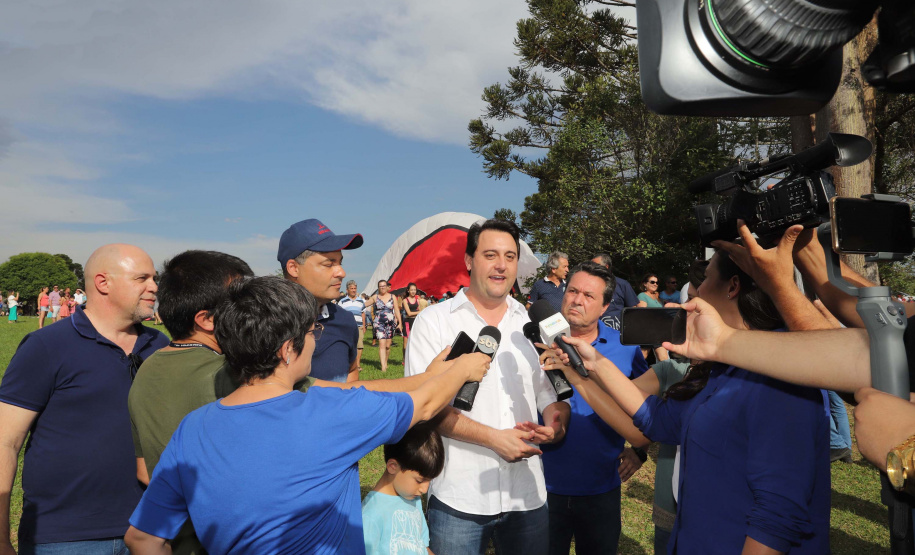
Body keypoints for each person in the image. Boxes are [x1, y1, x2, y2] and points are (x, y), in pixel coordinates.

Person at [124, 276, 490, 554]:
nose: (315, 338)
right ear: (287, 350)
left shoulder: (194, 427)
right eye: (311, 331)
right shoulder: (328, 415)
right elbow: (425, 405)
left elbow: (142, 537)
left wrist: (432, 375)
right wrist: (464, 369)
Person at [544, 247, 831, 554]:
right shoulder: (722, 367)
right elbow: (659, 421)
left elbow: (777, 517)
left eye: (705, 279)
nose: (694, 291)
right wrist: (593, 364)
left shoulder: (781, 373)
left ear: (733, 287)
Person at [404, 218, 571, 555]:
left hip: (526, 494)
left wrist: (556, 426)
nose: (501, 265)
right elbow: (424, 408)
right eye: (491, 255)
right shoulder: (434, 322)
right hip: (458, 496)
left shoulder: (532, 324)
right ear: (469, 261)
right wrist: (494, 440)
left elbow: (550, 394)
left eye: (510, 257)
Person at [0, 244, 167, 554]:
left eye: (154, 278)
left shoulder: (160, 344)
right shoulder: (47, 345)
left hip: (150, 532)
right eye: (141, 278)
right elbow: (5, 441)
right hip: (65, 537)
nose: (154, 287)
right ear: (103, 283)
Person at [539, 262, 648, 555]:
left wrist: (640, 450)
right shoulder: (533, 342)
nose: (576, 300)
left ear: (605, 307)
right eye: (572, 290)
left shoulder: (625, 346)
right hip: (540, 488)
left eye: (588, 295)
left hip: (601, 488)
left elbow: (648, 405)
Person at [279, 218, 363, 383]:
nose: (341, 272)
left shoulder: (344, 320)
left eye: (340, 262)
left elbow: (351, 372)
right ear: (294, 268)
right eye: (329, 264)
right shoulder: (260, 322)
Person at [362, 424, 443, 555]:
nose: (425, 489)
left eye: (430, 481)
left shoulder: (412, 498)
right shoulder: (370, 515)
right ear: (393, 466)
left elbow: (421, 546)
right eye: (420, 480)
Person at [591, 253, 639, 331]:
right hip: (595, 331)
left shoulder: (623, 284)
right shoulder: (589, 285)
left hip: (618, 333)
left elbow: (632, 310)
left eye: (595, 265)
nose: (592, 267)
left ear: (606, 267)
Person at [366, 280, 403, 373]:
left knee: (387, 346)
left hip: (390, 323)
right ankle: (383, 367)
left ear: (387, 287)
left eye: (384, 286)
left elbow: (397, 310)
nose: (382, 287)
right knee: (382, 344)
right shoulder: (375, 297)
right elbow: (364, 304)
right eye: (380, 286)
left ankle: (385, 361)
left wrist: (400, 322)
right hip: (379, 323)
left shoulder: (392, 297)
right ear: (378, 287)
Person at [338, 279, 368, 377]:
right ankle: (347, 364)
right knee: (348, 345)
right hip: (347, 327)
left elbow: (363, 313)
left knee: (359, 345)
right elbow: (339, 314)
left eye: (355, 288)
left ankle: (357, 364)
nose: (354, 290)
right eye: (351, 288)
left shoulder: (360, 301)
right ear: (347, 290)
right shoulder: (342, 302)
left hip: (359, 326)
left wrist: (364, 325)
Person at [402, 282, 422, 354]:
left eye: (414, 290)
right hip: (407, 322)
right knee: (406, 343)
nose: (413, 291)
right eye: (411, 290)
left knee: (415, 341)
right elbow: (409, 313)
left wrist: (419, 312)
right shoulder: (405, 300)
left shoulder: (418, 300)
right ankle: (404, 359)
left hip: (416, 322)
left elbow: (420, 310)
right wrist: (419, 312)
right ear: (408, 290)